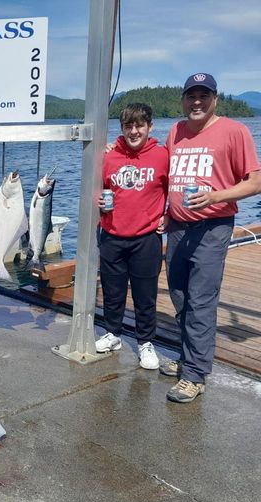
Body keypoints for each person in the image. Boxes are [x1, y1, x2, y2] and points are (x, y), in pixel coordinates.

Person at [162, 73, 261, 403]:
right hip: (177, 228)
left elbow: (254, 182)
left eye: (204, 96)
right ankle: (188, 356)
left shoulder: (235, 131)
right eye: (191, 96)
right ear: (183, 100)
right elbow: (166, 175)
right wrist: (165, 210)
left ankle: (194, 375)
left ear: (215, 99)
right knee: (179, 296)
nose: (197, 102)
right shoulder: (175, 131)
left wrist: (217, 197)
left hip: (213, 228)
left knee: (201, 300)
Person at [95, 103, 169, 371]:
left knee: (145, 295)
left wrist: (169, 215)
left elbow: (177, 189)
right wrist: (98, 201)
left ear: (150, 126)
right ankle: (113, 334)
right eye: (129, 126)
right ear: (122, 129)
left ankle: (145, 343)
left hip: (146, 239)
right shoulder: (109, 156)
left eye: (139, 125)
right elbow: (99, 189)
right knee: (112, 292)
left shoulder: (162, 156)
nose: (134, 131)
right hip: (112, 235)